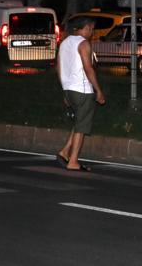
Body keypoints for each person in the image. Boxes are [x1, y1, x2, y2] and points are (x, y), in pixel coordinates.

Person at [56, 16, 106, 171]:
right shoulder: (83, 44)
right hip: (83, 89)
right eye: (91, 28)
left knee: (79, 121)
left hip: (69, 88)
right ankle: (73, 161)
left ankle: (64, 152)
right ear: (84, 28)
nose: (92, 32)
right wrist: (98, 90)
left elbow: (58, 67)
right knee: (82, 127)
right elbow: (88, 68)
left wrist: (65, 90)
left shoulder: (64, 43)